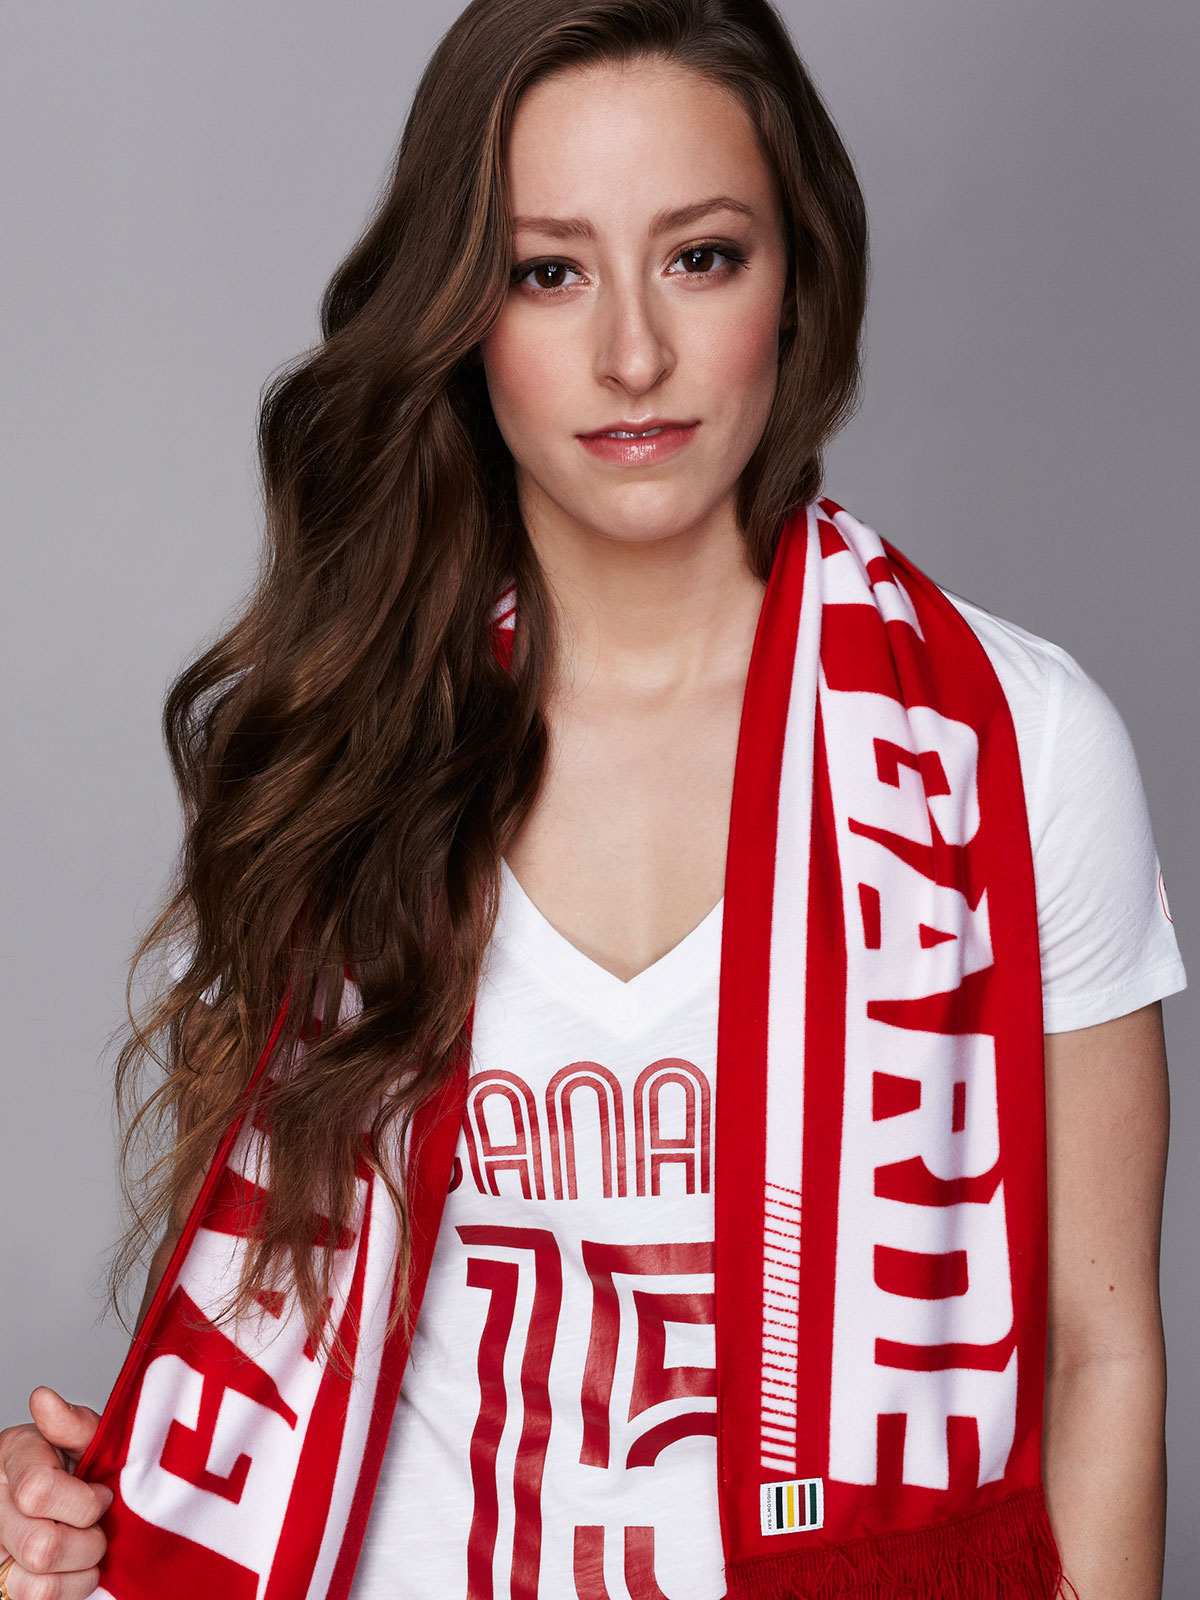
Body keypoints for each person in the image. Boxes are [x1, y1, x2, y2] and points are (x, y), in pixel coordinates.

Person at [0, 2, 1185, 1598]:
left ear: (797, 279)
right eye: (547, 272)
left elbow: (1102, 1357)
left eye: (701, 256)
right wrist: (67, 1521)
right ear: (461, 312)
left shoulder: (1012, 746)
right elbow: (265, 1337)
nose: (634, 353)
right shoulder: (356, 735)